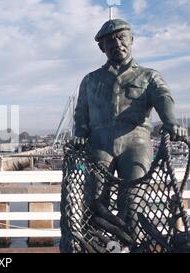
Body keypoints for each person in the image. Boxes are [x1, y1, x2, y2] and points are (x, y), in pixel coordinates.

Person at [72, 19, 188, 232]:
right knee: (95, 199)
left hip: (136, 141)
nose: (117, 43)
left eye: (121, 37)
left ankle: (133, 243)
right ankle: (96, 242)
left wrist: (171, 122)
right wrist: (79, 133)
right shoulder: (90, 80)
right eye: (110, 40)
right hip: (100, 142)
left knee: (134, 201)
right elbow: (81, 113)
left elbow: (163, 97)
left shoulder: (149, 75)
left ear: (131, 40)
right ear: (102, 47)